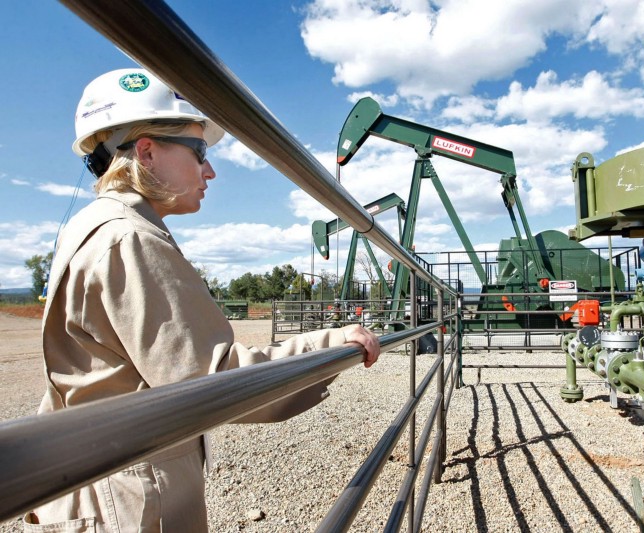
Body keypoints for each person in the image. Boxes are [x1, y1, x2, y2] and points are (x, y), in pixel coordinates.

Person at [23, 68, 380, 532]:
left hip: (107, 477)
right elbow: (215, 380)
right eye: (200, 152)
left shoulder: (92, 226)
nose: (209, 170)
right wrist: (335, 346)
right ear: (147, 152)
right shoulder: (129, 238)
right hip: (134, 498)